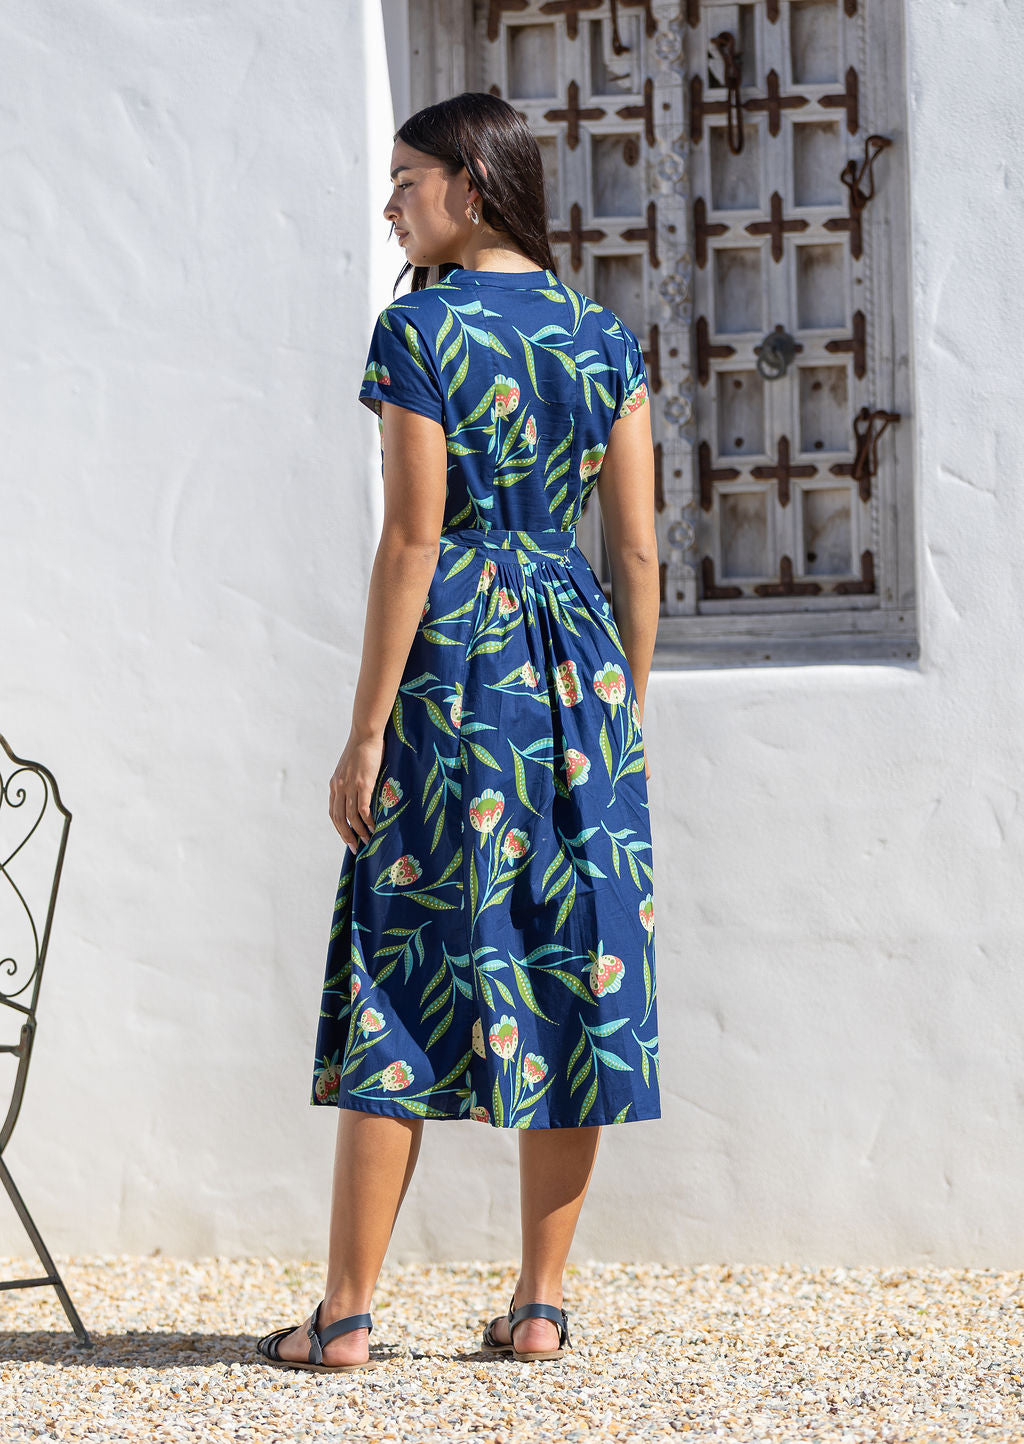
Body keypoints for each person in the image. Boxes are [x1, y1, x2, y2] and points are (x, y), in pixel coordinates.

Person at [257, 92, 661, 1374]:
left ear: (472, 184)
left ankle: (348, 1314)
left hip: (459, 664)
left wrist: (364, 732)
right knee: (577, 962)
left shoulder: (421, 328)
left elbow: (413, 538)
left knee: (401, 954)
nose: (390, 204)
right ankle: (540, 1305)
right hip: (581, 671)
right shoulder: (602, 337)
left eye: (405, 180)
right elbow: (638, 552)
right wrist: (624, 712)